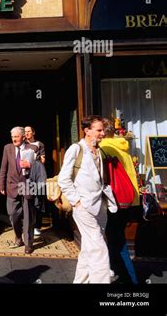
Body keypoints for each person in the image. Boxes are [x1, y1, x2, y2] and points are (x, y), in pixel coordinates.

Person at [58, 115, 118, 283]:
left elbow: (100, 180)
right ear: (87, 131)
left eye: (103, 130)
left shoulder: (100, 151)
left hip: (100, 207)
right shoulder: (76, 149)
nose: (102, 133)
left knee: (89, 247)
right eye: (99, 130)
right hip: (83, 207)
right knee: (99, 248)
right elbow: (64, 178)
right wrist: (77, 202)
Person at [100, 118, 139, 284]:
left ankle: (130, 279)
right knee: (115, 238)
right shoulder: (123, 146)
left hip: (113, 202)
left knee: (117, 242)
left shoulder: (105, 148)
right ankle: (119, 273)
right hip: (128, 201)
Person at [0, 126, 38, 254]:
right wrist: (1, 185)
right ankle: (18, 235)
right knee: (12, 214)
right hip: (12, 185)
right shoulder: (7, 148)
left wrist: (30, 165)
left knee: (28, 216)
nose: (14, 139)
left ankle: (28, 243)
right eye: (12, 137)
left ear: (23, 136)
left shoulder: (33, 148)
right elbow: (3, 168)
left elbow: (40, 167)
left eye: (16, 137)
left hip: (27, 185)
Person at [24, 126, 46, 236]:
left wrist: (33, 164)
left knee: (38, 200)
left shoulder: (39, 144)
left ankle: (37, 226)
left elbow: (43, 160)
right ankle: (27, 224)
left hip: (37, 174)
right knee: (26, 200)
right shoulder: (22, 144)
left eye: (28, 131)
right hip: (24, 176)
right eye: (25, 131)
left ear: (33, 132)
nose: (26, 133)